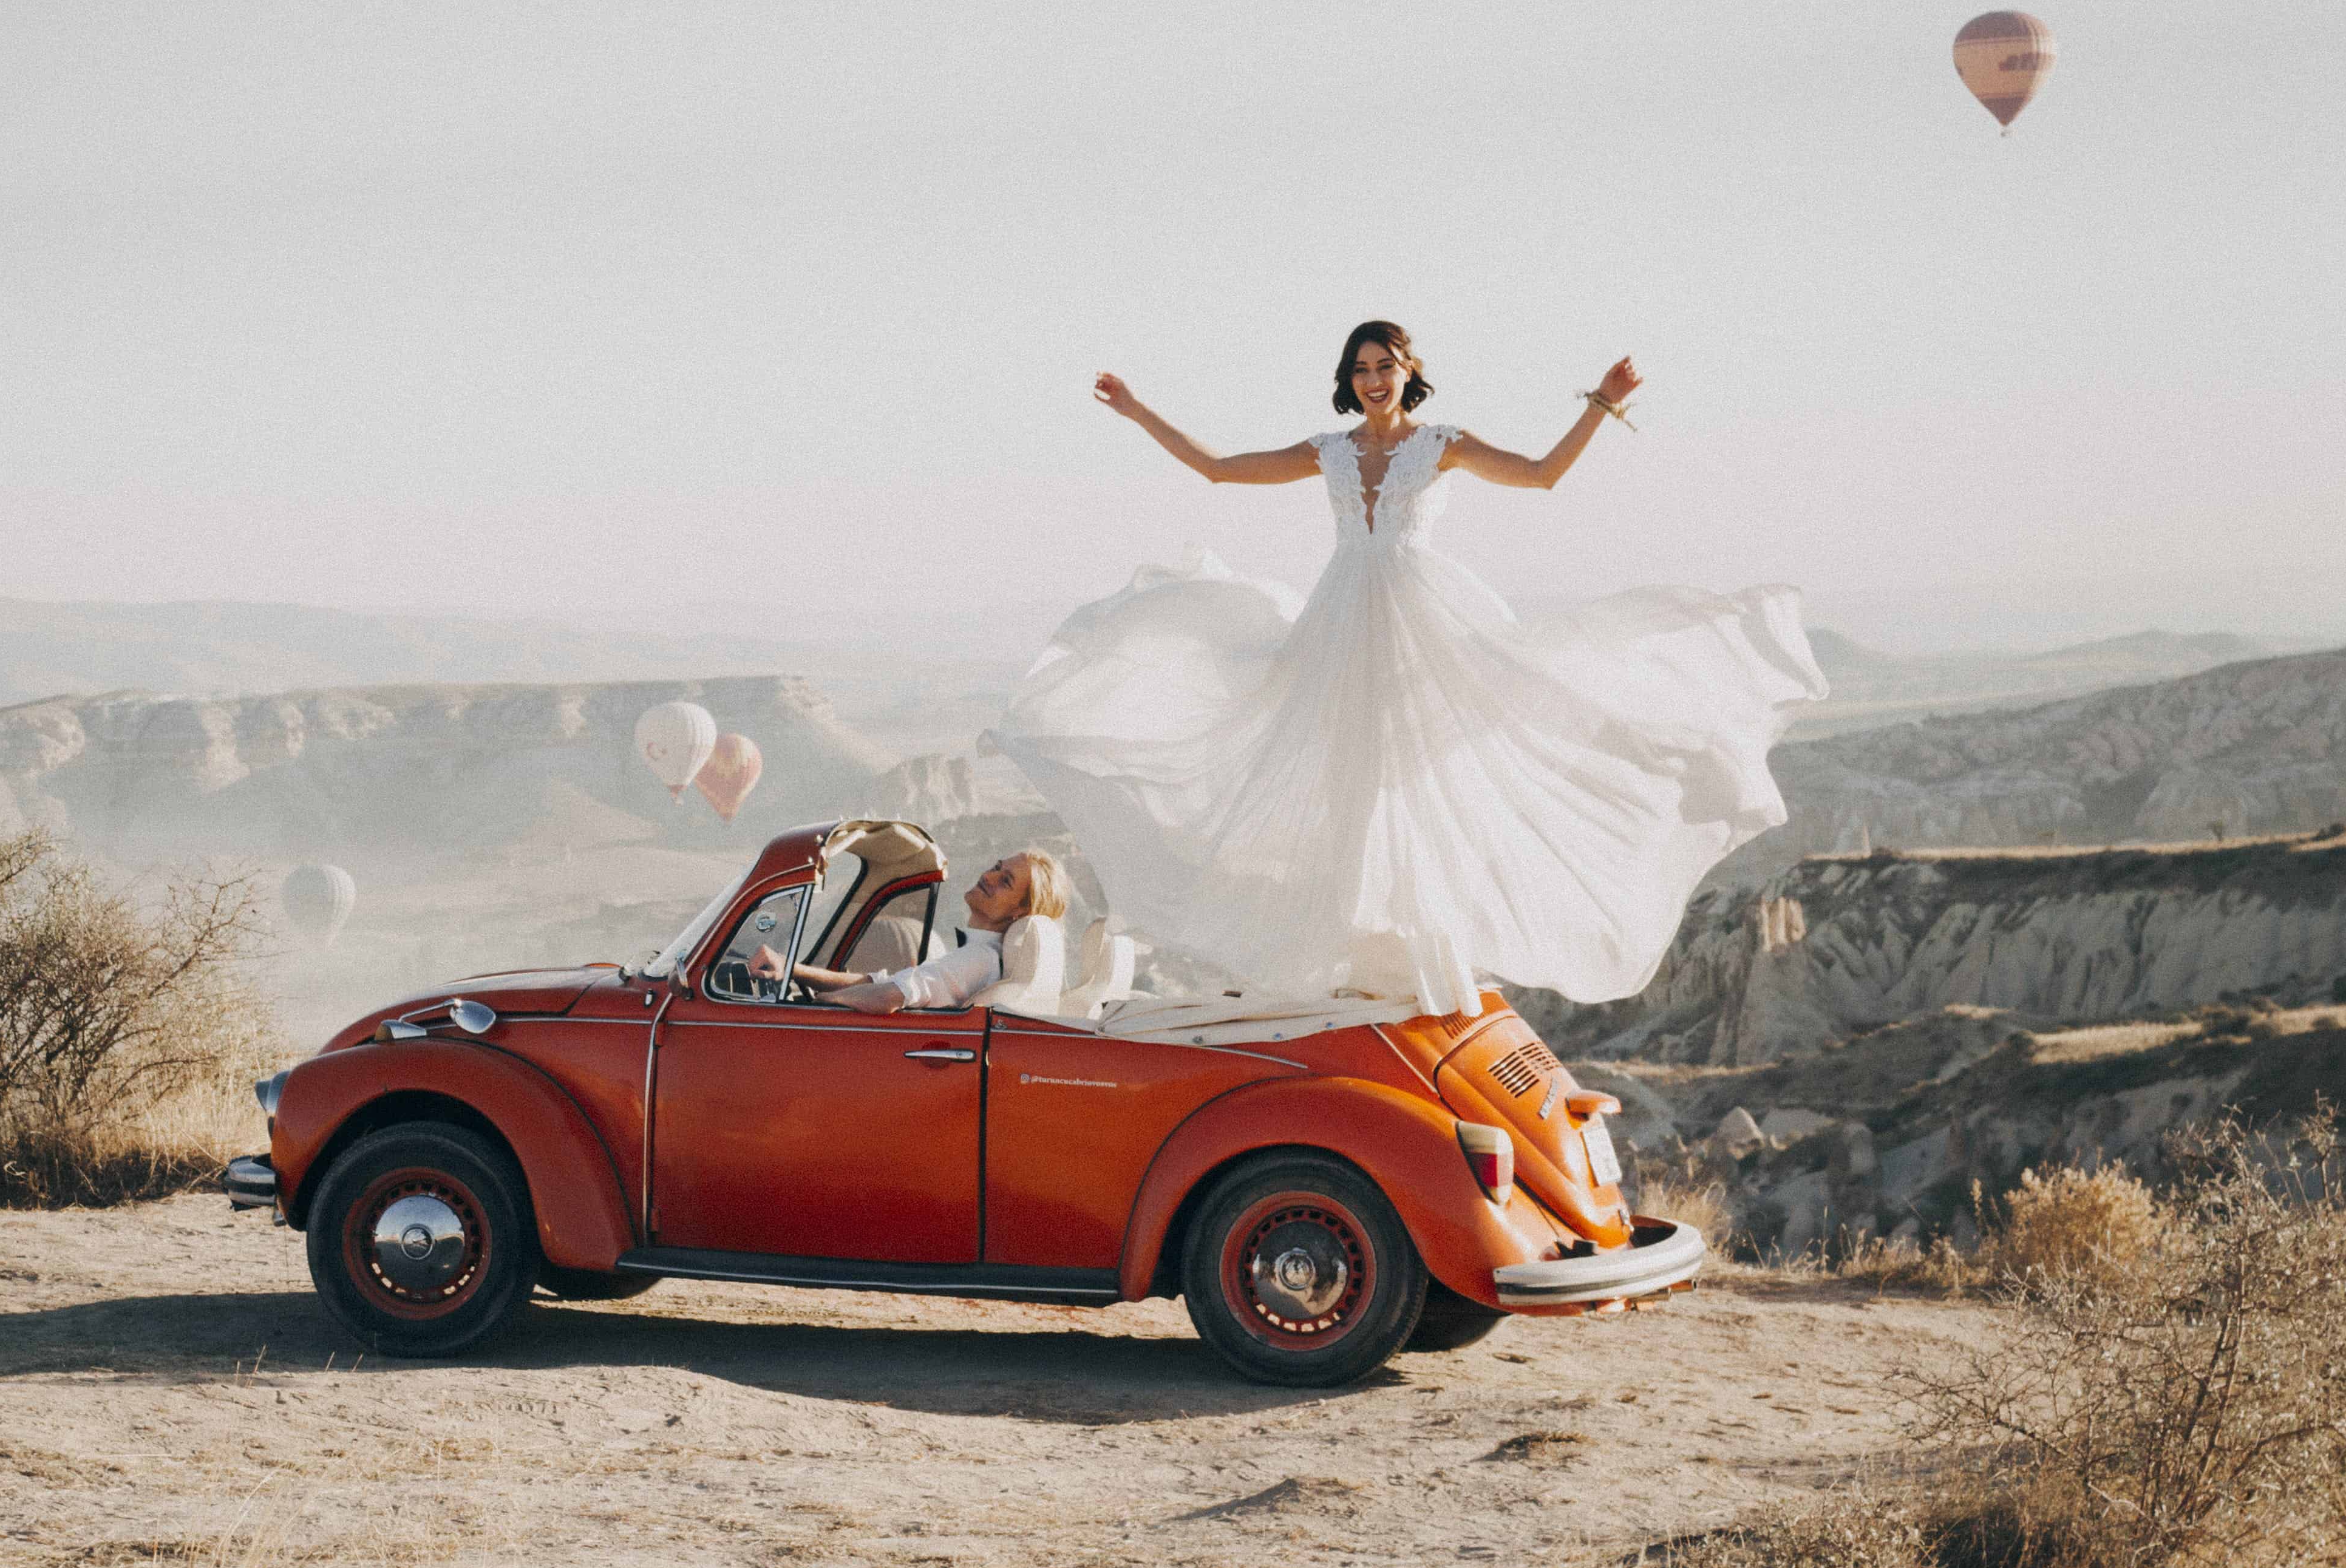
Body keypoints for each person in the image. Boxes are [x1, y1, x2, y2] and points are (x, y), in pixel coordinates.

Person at [984, 320, 1825, 1033]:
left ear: (1410, 373)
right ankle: (1353, 965)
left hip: (1422, 628)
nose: (1376, 378)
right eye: (1362, 368)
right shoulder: (1329, 452)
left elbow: (1541, 474)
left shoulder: (1441, 447)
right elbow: (1218, 469)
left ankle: (1420, 959)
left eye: (1387, 365)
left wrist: (1601, 406)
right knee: (1336, 785)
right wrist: (1139, 412)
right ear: (1349, 382)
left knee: (1422, 789)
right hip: (1342, 627)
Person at [750, 850, 1070, 1014]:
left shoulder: (978, 958)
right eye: (998, 867)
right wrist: (792, 970)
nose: (989, 876)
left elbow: (891, 996)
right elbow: (885, 983)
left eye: (1006, 882)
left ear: (1020, 912)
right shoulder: (982, 958)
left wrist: (820, 1004)